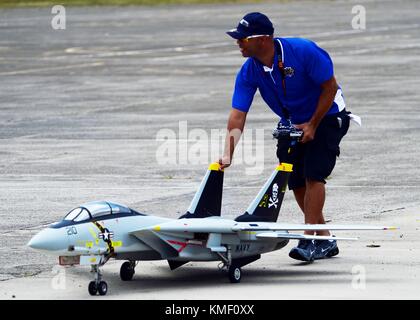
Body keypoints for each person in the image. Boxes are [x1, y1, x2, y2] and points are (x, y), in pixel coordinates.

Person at [219, 12, 352, 262]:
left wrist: (313, 125)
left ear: (263, 39)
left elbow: (330, 87)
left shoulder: (303, 51)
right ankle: (325, 239)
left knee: (314, 173)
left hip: (327, 114)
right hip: (292, 121)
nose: (238, 42)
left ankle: (311, 238)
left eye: (243, 38)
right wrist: (229, 152)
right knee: (294, 179)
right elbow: (238, 115)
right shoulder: (250, 71)